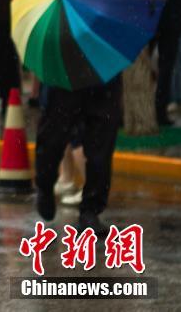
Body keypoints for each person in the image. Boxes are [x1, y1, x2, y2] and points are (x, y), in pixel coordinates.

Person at [35, 77, 122, 236]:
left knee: (101, 148)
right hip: (66, 73)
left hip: (104, 76)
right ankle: (45, 185)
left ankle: (91, 210)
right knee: (53, 138)